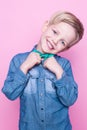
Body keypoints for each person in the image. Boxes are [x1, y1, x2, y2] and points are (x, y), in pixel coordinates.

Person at [2, 11, 84, 130]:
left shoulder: (64, 65)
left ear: (65, 48)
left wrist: (59, 72)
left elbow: (70, 99)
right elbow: (10, 93)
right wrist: (25, 67)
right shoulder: (19, 61)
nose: (55, 41)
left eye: (62, 42)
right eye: (55, 32)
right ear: (46, 26)